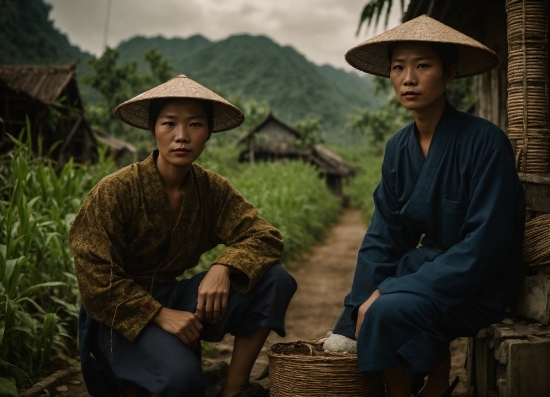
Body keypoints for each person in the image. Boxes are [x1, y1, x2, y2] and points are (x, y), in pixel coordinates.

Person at [332, 15, 525, 397]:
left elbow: (486, 245)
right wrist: (354, 307)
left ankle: (432, 387)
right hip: (427, 270)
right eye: (398, 67)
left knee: (387, 311)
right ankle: (425, 385)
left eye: (423, 65)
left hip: (479, 281)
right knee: (368, 310)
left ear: (449, 74)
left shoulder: (486, 142)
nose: (408, 78)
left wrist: (388, 293)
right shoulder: (397, 149)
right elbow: (385, 234)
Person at [70, 74, 297, 397]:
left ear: (208, 133)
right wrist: (159, 314)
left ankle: (233, 387)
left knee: (275, 279)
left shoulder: (211, 189)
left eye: (194, 125)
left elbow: (265, 237)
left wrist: (224, 266)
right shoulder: (115, 191)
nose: (182, 136)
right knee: (182, 381)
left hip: (173, 294)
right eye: (169, 124)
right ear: (153, 130)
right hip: (119, 313)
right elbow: (95, 280)